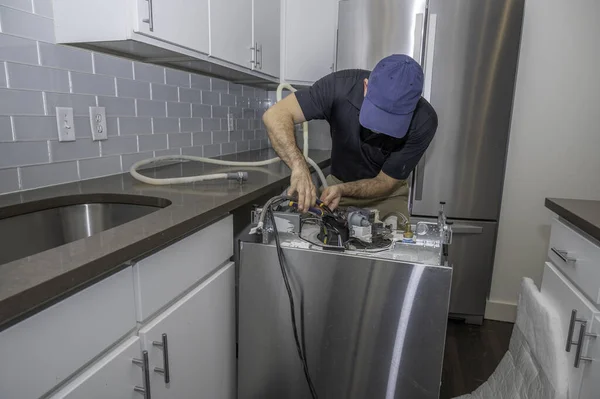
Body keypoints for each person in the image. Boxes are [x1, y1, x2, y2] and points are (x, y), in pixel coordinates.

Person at [262, 54, 438, 221]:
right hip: (336, 187)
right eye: (377, 113)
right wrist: (299, 167)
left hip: (387, 195)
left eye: (392, 121)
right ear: (366, 87)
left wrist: (344, 190)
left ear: (413, 108)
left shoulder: (424, 121)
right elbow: (275, 115)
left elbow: (385, 181)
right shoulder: (339, 87)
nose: (380, 130)